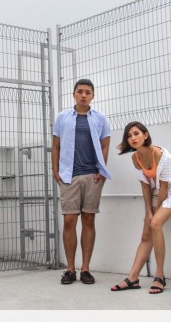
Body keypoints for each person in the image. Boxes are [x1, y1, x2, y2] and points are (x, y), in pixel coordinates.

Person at [110, 121, 171, 294]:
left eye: (136, 133)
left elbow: (165, 187)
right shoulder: (135, 158)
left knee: (155, 223)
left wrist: (155, 213)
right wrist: (148, 211)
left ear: (145, 135)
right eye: (129, 136)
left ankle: (160, 276)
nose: (133, 138)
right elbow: (145, 184)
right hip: (156, 191)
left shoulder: (161, 155)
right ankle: (132, 278)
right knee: (146, 233)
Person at [52, 79, 111, 285]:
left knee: (88, 220)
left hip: (92, 176)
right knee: (69, 220)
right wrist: (55, 171)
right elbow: (56, 146)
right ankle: (70, 269)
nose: (84, 95)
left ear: (93, 95)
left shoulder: (100, 118)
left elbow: (105, 145)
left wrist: (102, 171)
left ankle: (85, 269)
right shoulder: (62, 117)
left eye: (88, 92)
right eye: (80, 91)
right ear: (74, 94)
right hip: (68, 175)